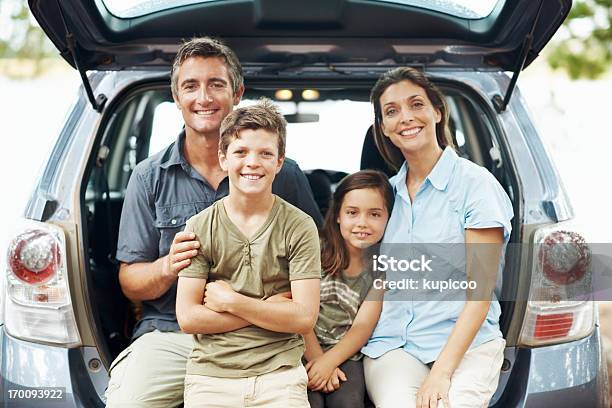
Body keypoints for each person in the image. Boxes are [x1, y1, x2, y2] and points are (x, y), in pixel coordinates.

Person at [105, 37, 322, 407]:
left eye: (216, 84)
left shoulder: (286, 177)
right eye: (190, 85)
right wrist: (168, 266)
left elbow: (314, 273)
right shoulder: (147, 178)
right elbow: (131, 283)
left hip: (267, 337)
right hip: (172, 336)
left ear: (237, 92)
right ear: (176, 97)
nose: (203, 97)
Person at [361, 67, 514, 408]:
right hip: (395, 346)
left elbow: (480, 292)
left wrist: (442, 372)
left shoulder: (476, 186)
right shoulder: (389, 196)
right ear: (383, 129)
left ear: (437, 111)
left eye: (416, 104)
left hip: (467, 346)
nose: (406, 117)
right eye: (391, 111)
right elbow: (382, 281)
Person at [176, 99, 320, 407]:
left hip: (279, 374)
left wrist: (232, 302)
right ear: (223, 159)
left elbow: (304, 317)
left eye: (266, 153)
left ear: (280, 162)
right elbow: (188, 317)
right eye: (241, 152)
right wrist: (270, 309)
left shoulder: (299, 225)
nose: (252, 162)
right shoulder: (200, 226)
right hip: (210, 376)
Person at [304, 170, 392, 408]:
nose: (362, 222)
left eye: (374, 214)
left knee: (349, 402)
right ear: (338, 216)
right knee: (307, 401)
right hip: (302, 345)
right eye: (352, 213)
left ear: (388, 218)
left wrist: (329, 362)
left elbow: (363, 325)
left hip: (346, 352)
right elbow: (299, 313)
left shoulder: (382, 268)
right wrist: (318, 361)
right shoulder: (315, 250)